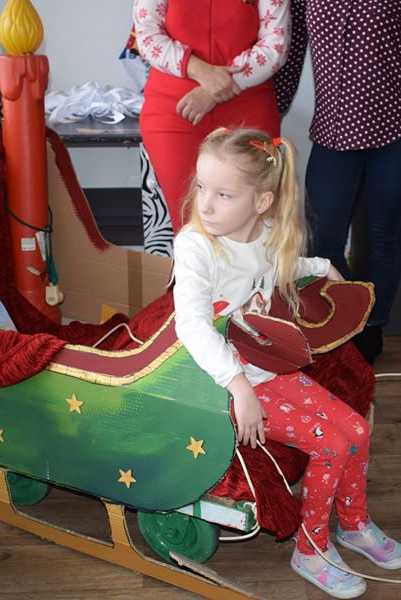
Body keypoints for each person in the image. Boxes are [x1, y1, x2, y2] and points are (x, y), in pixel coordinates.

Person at [173, 127, 401, 598]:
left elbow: (284, 264)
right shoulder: (196, 246)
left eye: (223, 194)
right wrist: (239, 386)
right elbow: (191, 326)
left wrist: (321, 268)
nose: (205, 205)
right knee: (331, 444)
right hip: (220, 381)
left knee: (357, 430)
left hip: (268, 368)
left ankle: (353, 525)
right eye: (202, 187)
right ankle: (310, 548)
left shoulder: (265, 235)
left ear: (261, 202)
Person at [274, 0, 401, 364]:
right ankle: (345, 322)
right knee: (320, 239)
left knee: (384, 238)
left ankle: (374, 325)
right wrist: (272, 109)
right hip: (334, 134)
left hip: (392, 130)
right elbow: (292, 50)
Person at [133, 0, 291, 234]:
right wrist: (200, 71)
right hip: (175, 112)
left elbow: (275, 46)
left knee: (251, 223)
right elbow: (147, 35)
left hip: (248, 109)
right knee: (190, 225)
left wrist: (215, 89)